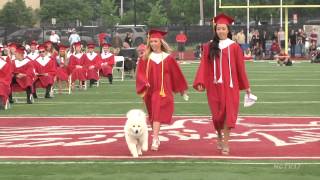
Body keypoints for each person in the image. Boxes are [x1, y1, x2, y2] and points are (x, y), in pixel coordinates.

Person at [193, 13, 252, 155]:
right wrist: (201, 81)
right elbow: (204, 65)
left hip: (231, 86)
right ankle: (218, 134)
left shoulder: (235, 47)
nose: (221, 31)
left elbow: (240, 68)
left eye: (223, 28)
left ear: (228, 30)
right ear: (215, 30)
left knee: (228, 114)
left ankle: (226, 142)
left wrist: (246, 86)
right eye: (218, 29)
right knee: (217, 115)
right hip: (215, 86)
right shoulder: (209, 47)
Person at [135, 29, 188, 151]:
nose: (153, 44)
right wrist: (144, 83)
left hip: (163, 91)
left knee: (157, 111)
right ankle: (156, 136)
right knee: (153, 115)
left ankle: (155, 138)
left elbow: (176, 75)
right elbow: (140, 74)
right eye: (151, 41)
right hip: (150, 90)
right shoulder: (146, 58)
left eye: (156, 41)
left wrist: (182, 90)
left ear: (161, 42)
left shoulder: (168, 58)